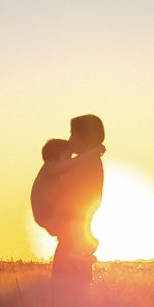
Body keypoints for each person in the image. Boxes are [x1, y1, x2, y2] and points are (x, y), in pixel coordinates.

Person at [49, 113, 105, 287]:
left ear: (84, 138)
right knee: (76, 273)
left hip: (73, 227)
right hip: (76, 228)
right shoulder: (90, 161)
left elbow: (75, 194)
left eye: (72, 134)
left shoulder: (85, 163)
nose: (69, 140)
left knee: (67, 279)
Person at [30, 138, 73, 238]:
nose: (70, 160)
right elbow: (65, 167)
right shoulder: (49, 167)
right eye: (68, 156)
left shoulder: (51, 170)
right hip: (46, 213)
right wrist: (91, 153)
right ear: (54, 158)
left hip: (47, 214)